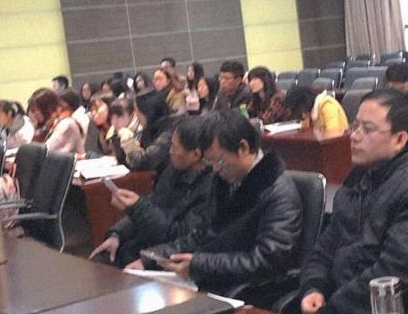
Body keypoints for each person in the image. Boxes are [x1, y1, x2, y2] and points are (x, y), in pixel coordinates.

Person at [299, 89, 408, 314]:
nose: (354, 136)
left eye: (368, 129)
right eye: (355, 126)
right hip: (343, 308)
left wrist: (330, 309)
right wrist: (313, 286)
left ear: (399, 139)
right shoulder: (359, 178)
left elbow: (392, 277)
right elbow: (325, 247)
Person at [146, 112, 302, 292]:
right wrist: (153, 256)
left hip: (248, 291)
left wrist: (199, 265)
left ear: (243, 148)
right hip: (213, 279)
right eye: (210, 162)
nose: (216, 169)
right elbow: (203, 234)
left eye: (220, 161)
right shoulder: (225, 182)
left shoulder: (278, 192)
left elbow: (267, 261)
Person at [91, 118, 214, 268]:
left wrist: (146, 259)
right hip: (143, 246)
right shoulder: (173, 170)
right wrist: (117, 234)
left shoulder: (210, 187)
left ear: (195, 154)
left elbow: (178, 236)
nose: (170, 151)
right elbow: (154, 204)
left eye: (175, 147)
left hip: (166, 258)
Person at [27, 88, 85, 155]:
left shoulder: (66, 124)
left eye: (35, 110)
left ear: (46, 108)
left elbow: (44, 152)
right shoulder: (47, 127)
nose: (34, 115)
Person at [283, 86, 348, 133]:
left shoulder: (327, 104)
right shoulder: (307, 112)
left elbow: (332, 134)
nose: (300, 115)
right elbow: (304, 131)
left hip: (339, 144)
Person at [133, 71, 170, 146]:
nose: (139, 83)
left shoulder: (156, 93)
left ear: (146, 80)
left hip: (163, 123)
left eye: (140, 80)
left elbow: (164, 109)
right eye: (137, 82)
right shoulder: (137, 99)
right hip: (149, 127)